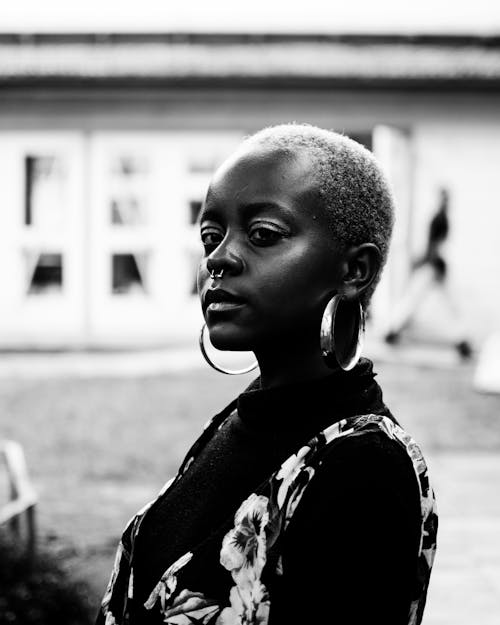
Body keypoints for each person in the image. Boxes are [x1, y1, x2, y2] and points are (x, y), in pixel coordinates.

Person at [96, 124, 438, 625]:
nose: (219, 258)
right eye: (211, 236)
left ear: (354, 271)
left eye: (262, 236)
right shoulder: (242, 419)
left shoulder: (364, 467)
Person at [384, 187, 473, 359]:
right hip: (434, 265)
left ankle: (393, 330)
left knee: (425, 300)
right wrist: (429, 262)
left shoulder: (442, 217)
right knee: (421, 300)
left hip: (435, 265)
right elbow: (433, 245)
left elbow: (435, 245)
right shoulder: (439, 218)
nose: (445, 201)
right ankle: (392, 329)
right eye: (444, 198)